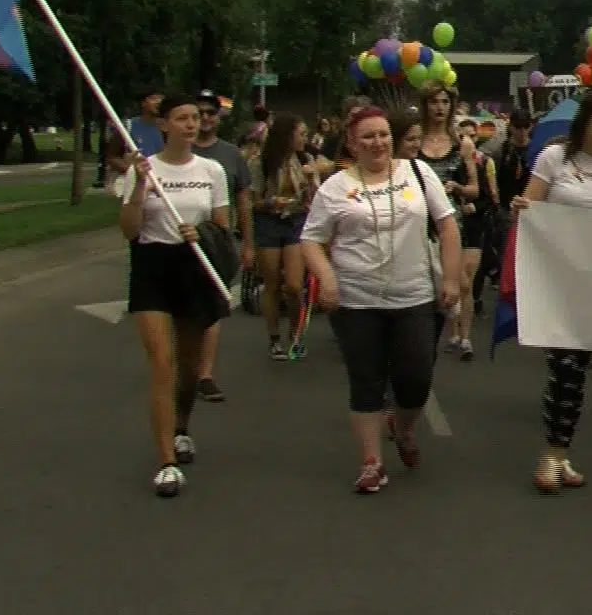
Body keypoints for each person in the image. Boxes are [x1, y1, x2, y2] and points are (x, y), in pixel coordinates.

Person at [300, 106, 462, 494]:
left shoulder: (417, 174)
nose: (378, 143)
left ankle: (402, 428)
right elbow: (311, 239)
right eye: (368, 137)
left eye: (384, 135)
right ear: (352, 145)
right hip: (357, 301)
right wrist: (326, 279)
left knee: (415, 379)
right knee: (366, 381)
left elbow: (447, 225)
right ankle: (371, 463)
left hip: (415, 296)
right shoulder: (335, 188)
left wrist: (453, 278)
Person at [510, 89, 592, 493]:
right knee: (564, 368)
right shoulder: (553, 158)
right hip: (554, 279)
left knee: (575, 371)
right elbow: (531, 202)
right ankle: (552, 456)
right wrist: (521, 207)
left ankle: (559, 454)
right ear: (584, 122)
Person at [117, 94, 232, 498]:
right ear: (164, 125)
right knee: (161, 364)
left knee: (187, 366)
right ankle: (166, 461)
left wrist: (201, 234)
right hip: (152, 266)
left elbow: (223, 227)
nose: (190, 124)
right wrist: (139, 188)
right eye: (181, 118)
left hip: (193, 266)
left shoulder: (212, 170)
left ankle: (182, 427)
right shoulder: (143, 168)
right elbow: (129, 230)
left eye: (195, 118)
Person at [189, 91, 252, 403]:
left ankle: (205, 374)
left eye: (210, 113)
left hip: (216, 241)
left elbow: (243, 199)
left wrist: (248, 244)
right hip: (178, 243)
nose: (204, 118)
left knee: (211, 310)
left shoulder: (230, 155)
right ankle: (182, 365)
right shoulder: (178, 150)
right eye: (198, 112)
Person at [417, 82, 483, 360]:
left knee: (463, 282)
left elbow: (475, 189)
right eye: (434, 102)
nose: (440, 108)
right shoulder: (414, 140)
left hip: (453, 222)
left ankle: (464, 337)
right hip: (420, 221)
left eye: (444, 102)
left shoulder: (461, 144)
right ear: (425, 106)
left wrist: (456, 187)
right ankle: (426, 335)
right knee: (427, 283)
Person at [253, 114, 320, 360]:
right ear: (287, 136)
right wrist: (272, 202)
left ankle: (296, 330)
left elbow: (316, 196)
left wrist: (312, 179)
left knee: (293, 285)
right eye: (301, 134)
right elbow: (254, 201)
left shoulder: (306, 159)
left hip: (296, 220)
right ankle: (274, 337)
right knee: (271, 283)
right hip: (269, 221)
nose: (305, 138)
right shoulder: (262, 162)